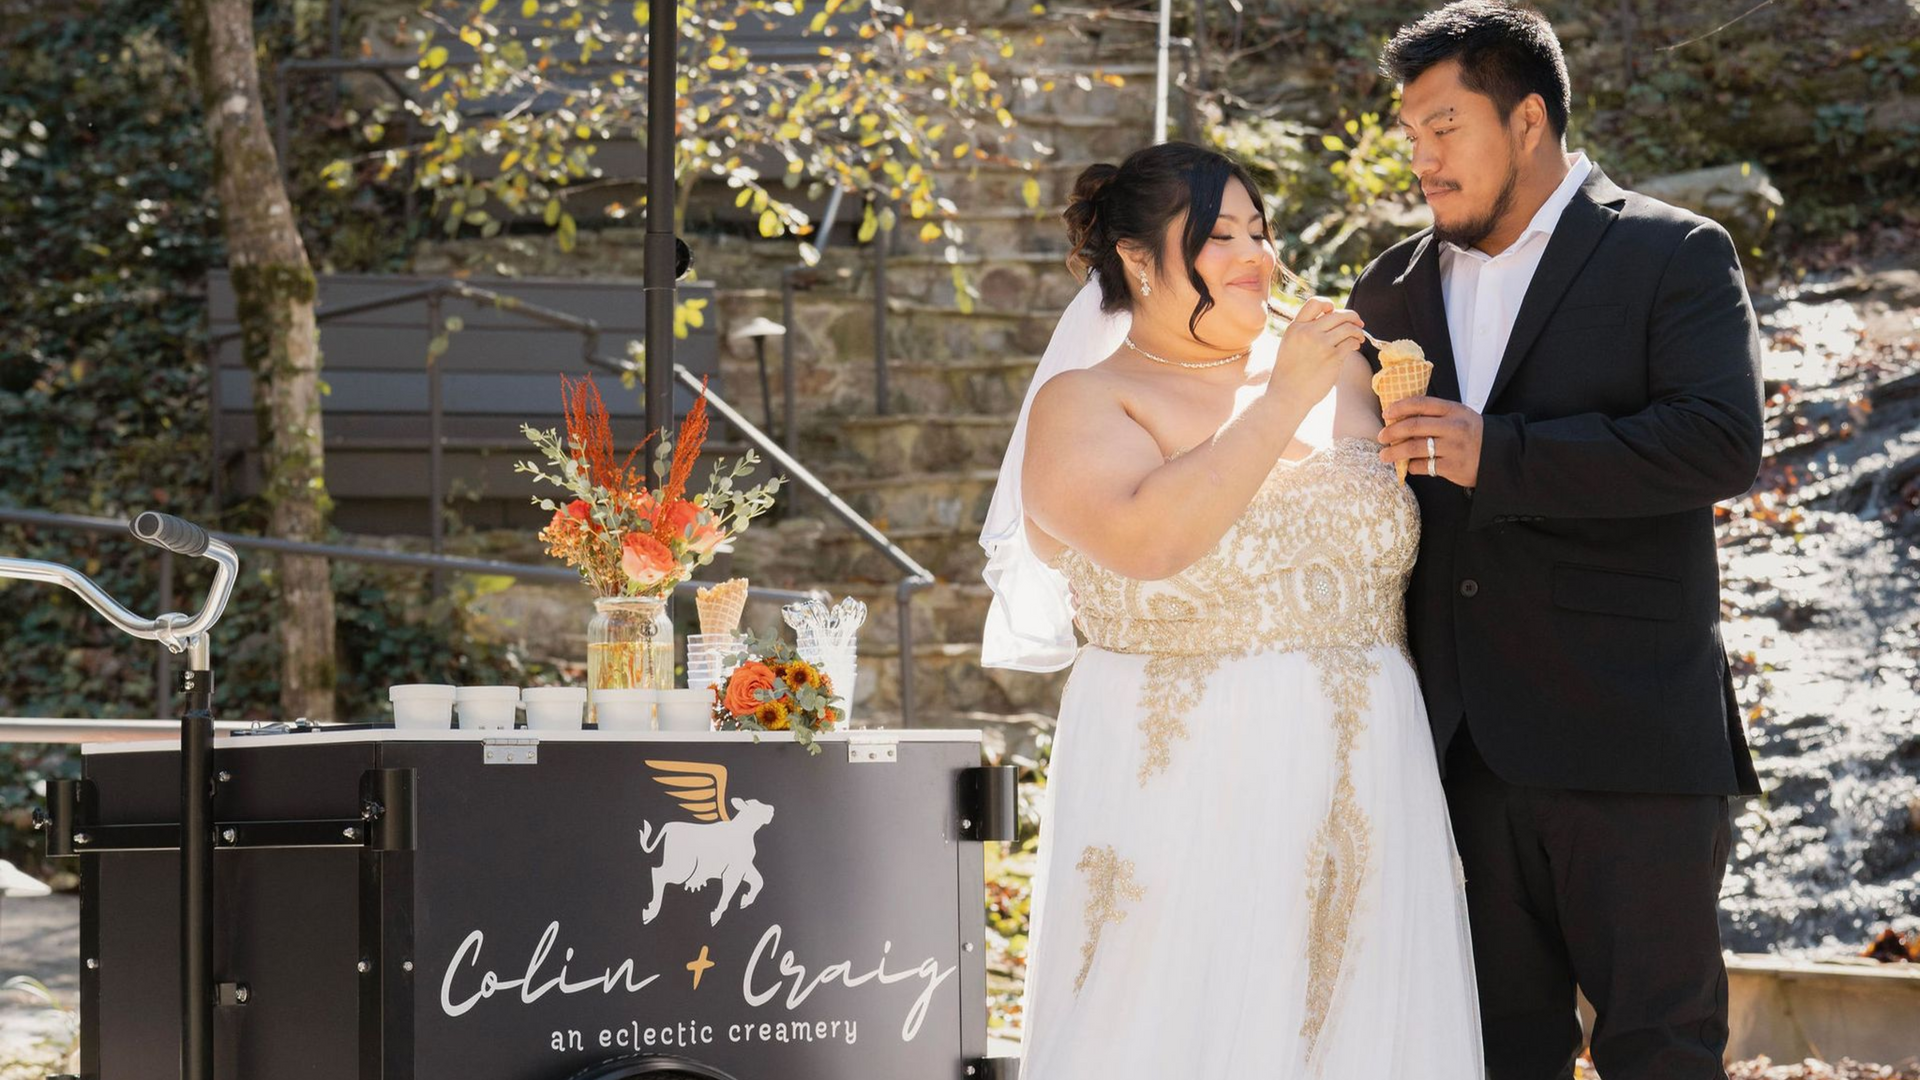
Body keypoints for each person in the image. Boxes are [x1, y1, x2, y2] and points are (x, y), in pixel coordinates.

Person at [979, 141, 1483, 1077]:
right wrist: (1280, 393)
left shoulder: (1347, 376)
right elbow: (1150, 541)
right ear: (1137, 260)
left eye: (1261, 230)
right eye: (1219, 236)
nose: (1257, 254)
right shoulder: (1083, 403)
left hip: (1374, 768)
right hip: (1189, 785)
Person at [1350, 3, 1766, 1077]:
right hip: (1455, 755)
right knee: (1488, 1054)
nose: (1423, 159)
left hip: (1632, 743)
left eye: (1445, 127)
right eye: (1411, 136)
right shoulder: (1387, 288)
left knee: (1660, 1050)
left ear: (1527, 118)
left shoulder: (1673, 253)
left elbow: (1719, 444)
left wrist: (1505, 454)